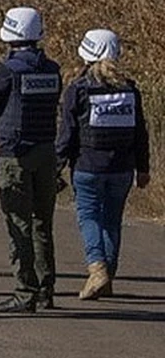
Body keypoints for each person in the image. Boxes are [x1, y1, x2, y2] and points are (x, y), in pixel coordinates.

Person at [56, 28, 150, 299]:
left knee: (88, 217)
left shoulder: (78, 89)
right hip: (122, 169)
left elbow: (67, 134)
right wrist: (144, 168)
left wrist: (56, 167)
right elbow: (140, 132)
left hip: (87, 167)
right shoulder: (130, 90)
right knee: (111, 221)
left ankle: (97, 270)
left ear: (86, 54)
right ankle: (107, 276)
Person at [0, 6, 62, 313]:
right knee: (43, 224)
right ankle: (46, 290)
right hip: (46, 151)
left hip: (16, 153)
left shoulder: (7, 71)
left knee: (19, 224)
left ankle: (24, 292)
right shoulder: (52, 69)